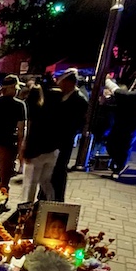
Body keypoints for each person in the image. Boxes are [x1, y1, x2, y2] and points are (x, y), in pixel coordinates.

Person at [45, 69, 88, 202]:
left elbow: (78, 123)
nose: (59, 84)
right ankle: (44, 196)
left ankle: (57, 199)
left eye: (62, 82)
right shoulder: (58, 96)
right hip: (51, 140)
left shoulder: (80, 100)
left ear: (69, 83)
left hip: (64, 141)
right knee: (48, 170)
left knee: (59, 170)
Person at [19, 82, 61, 203]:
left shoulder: (31, 110)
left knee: (31, 182)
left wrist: (25, 152)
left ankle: (27, 207)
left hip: (37, 152)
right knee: (45, 181)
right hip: (51, 151)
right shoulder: (51, 110)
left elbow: (30, 133)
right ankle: (51, 202)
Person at [104, 77, 136, 177]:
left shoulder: (127, 95)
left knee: (113, 144)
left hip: (122, 123)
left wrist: (107, 79)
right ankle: (118, 164)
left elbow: (113, 88)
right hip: (135, 124)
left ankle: (118, 166)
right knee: (125, 145)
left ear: (134, 85)